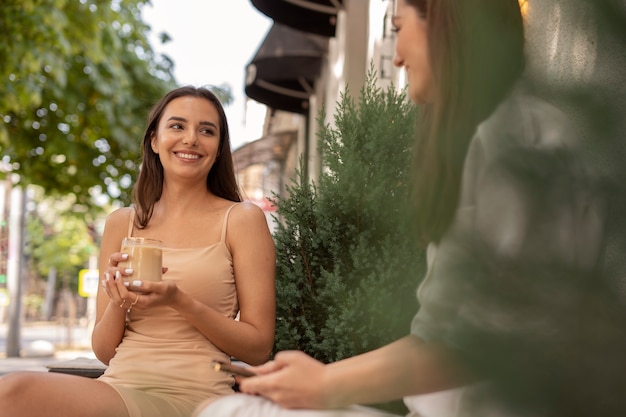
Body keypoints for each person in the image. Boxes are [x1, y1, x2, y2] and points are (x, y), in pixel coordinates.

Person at [195, 0, 626, 416]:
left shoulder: (521, 141)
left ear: (443, 24)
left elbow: (481, 342)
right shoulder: (500, 136)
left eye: (399, 29)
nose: (397, 57)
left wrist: (324, 384)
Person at [0, 86, 277, 417]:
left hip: (193, 394)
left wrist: (179, 301)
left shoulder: (241, 219)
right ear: (155, 141)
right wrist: (119, 301)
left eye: (206, 130)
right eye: (177, 126)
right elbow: (104, 351)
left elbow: (259, 347)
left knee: (14, 392)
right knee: (11, 392)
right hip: (119, 386)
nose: (191, 138)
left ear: (218, 150)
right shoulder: (123, 223)